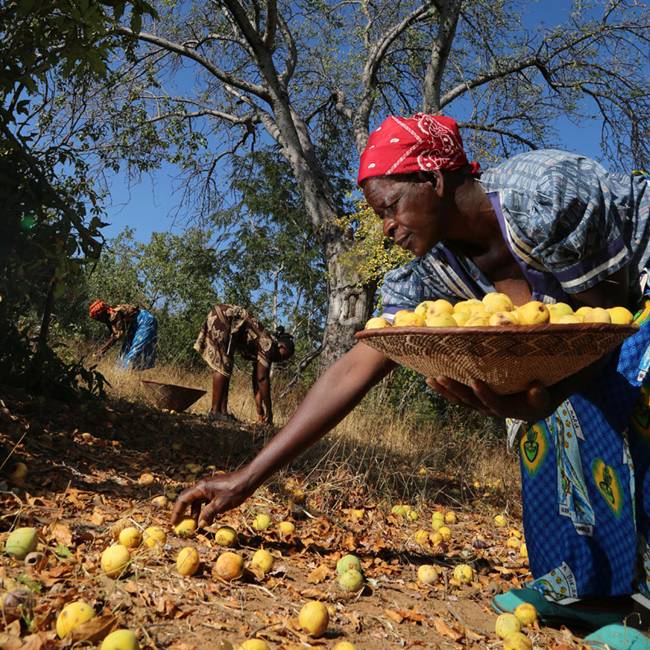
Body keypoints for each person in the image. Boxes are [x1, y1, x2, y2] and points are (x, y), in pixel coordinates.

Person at [172, 115, 650, 643]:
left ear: (435, 180)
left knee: (629, 392)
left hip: (634, 292)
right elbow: (361, 362)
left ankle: (640, 605)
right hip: (590, 331)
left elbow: (604, 329)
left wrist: (548, 397)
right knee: (540, 426)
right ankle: (582, 588)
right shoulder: (425, 269)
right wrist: (247, 478)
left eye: (390, 207)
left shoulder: (545, 194)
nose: (387, 228)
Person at [193, 303, 295, 425]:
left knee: (227, 367)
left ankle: (223, 412)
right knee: (222, 366)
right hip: (224, 317)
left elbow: (257, 379)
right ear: (281, 346)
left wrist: (259, 410)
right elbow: (262, 379)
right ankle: (215, 412)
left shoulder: (266, 345)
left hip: (222, 315)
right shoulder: (268, 345)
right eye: (285, 356)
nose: (281, 360)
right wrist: (269, 411)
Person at [89, 299, 158, 370]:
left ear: (102, 313)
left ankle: (124, 374)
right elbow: (113, 334)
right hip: (134, 326)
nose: (99, 320)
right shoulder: (108, 318)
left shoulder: (114, 314)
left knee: (134, 351)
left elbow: (117, 336)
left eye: (98, 317)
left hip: (145, 321)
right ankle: (118, 374)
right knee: (123, 354)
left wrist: (101, 351)